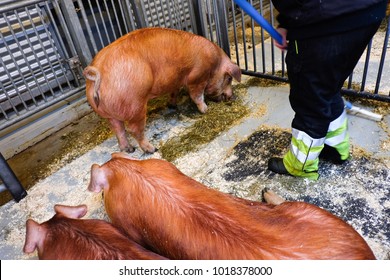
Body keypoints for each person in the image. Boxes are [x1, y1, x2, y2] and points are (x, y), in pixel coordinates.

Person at [267, 0, 388, 180]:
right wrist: (286, 23)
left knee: (309, 97)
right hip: (367, 12)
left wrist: (291, 20)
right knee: (328, 86)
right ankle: (336, 146)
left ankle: (300, 165)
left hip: (321, 21)